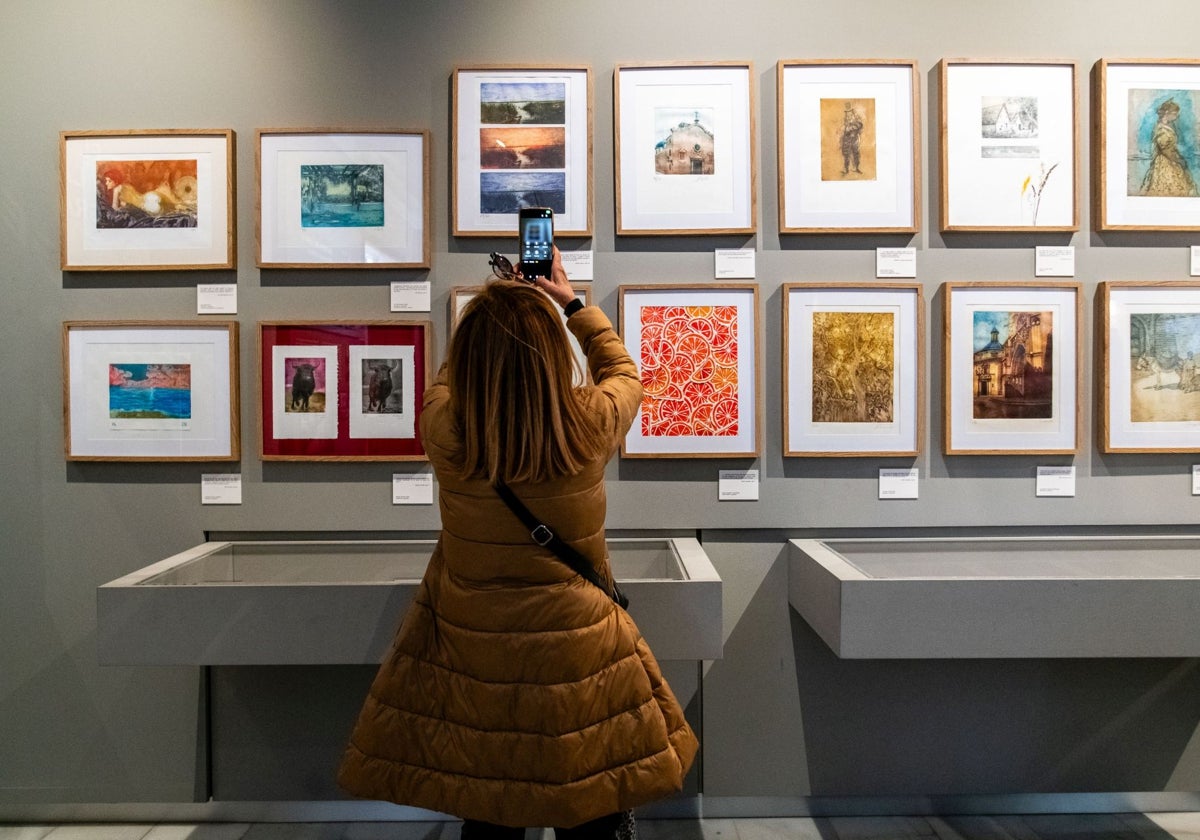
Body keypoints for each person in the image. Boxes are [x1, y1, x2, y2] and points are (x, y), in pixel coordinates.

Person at [337, 247, 699, 840]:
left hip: (477, 647)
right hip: (578, 646)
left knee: (490, 803)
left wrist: (489, 312)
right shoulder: (588, 423)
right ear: (554, 355)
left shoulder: (444, 428)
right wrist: (570, 302)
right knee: (589, 798)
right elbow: (625, 374)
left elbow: (449, 377)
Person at [1140, 99, 1198, 197]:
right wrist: (1179, 161)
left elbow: (1171, 148)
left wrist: (1179, 158)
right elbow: (1166, 151)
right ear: (1167, 113)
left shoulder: (1166, 126)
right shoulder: (1162, 129)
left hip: (1171, 159)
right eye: (1175, 113)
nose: (1177, 116)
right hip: (1166, 162)